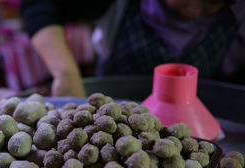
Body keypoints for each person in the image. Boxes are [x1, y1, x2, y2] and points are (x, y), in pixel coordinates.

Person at [21, 0, 245, 97]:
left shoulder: (236, 17)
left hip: (201, 121)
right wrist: (66, 74)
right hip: (107, 112)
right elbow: (39, 4)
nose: (195, 9)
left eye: (212, 3)